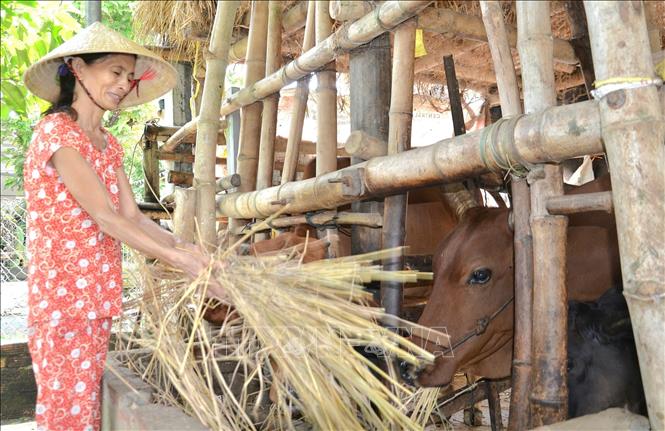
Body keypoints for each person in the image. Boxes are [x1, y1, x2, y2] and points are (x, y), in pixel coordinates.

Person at [22, 22, 211, 431]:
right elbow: (104, 217)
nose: (124, 83)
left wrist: (188, 250)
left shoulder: (106, 143)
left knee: (83, 405)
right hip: (63, 302)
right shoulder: (57, 134)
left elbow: (132, 216)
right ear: (77, 68)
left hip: (96, 296)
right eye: (114, 71)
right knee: (65, 413)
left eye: (129, 75)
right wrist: (180, 260)